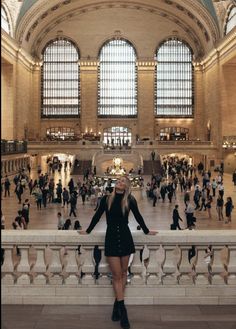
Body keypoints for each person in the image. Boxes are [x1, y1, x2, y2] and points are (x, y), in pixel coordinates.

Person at [79, 176, 157, 329]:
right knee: (116, 275)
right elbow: (97, 215)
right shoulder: (106, 199)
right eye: (119, 180)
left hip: (126, 237)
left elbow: (138, 216)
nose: (120, 182)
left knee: (122, 274)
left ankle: (117, 305)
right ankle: (123, 311)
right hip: (112, 238)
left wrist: (147, 231)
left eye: (123, 181)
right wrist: (87, 230)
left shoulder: (129, 200)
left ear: (127, 186)